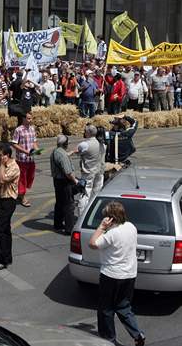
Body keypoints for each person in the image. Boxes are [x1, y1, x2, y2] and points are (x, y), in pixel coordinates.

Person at [89, 201, 145, 346]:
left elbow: (93, 243)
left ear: (110, 218)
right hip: (130, 275)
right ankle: (137, 334)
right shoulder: (131, 227)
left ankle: (109, 340)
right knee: (124, 307)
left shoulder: (112, 234)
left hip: (111, 276)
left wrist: (101, 227)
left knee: (106, 309)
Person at [0, 143, 20, 271]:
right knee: (5, 230)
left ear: (7, 156)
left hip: (8, 201)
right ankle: (6, 257)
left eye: (0, 155)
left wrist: (2, 165)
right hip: (1, 199)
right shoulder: (2, 164)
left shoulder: (14, 167)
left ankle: (2, 260)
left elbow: (2, 180)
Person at [50, 135, 78, 234]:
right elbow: (68, 173)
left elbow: (63, 157)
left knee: (59, 203)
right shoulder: (63, 155)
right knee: (69, 205)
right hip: (65, 182)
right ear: (65, 144)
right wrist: (75, 181)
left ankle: (57, 225)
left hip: (57, 181)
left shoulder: (56, 152)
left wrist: (72, 152)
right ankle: (69, 228)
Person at [11, 111, 39, 207]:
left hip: (31, 159)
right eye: (28, 118)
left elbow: (34, 142)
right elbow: (14, 144)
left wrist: (37, 149)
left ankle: (20, 192)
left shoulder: (32, 129)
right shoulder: (18, 130)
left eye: (31, 118)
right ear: (23, 119)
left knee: (30, 177)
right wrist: (24, 151)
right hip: (22, 159)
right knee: (22, 179)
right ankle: (22, 197)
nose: (30, 120)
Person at [75, 125, 105, 215]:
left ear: (88, 133)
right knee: (96, 193)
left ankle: (81, 215)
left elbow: (77, 151)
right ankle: (94, 213)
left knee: (85, 193)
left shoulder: (84, 144)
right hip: (100, 171)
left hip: (88, 172)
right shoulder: (103, 144)